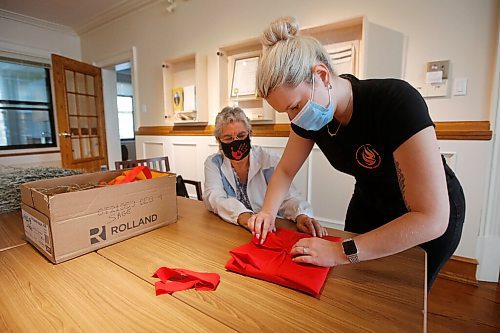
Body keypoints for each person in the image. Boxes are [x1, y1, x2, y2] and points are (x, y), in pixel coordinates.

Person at [249, 16, 465, 289]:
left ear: (322, 76)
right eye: (286, 112)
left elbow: (431, 218)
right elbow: (285, 170)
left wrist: (339, 251)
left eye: (294, 106)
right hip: (370, 201)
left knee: (401, 300)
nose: (294, 119)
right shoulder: (312, 114)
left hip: (427, 216)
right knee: (353, 289)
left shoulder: (396, 101)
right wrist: (268, 212)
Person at [203, 106, 327, 237]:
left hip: (268, 230)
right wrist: (245, 217)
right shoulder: (214, 163)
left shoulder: (268, 159)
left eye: (241, 135)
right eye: (228, 138)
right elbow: (214, 197)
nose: (236, 142)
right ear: (218, 141)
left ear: (250, 134)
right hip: (233, 229)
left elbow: (289, 197)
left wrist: (302, 215)